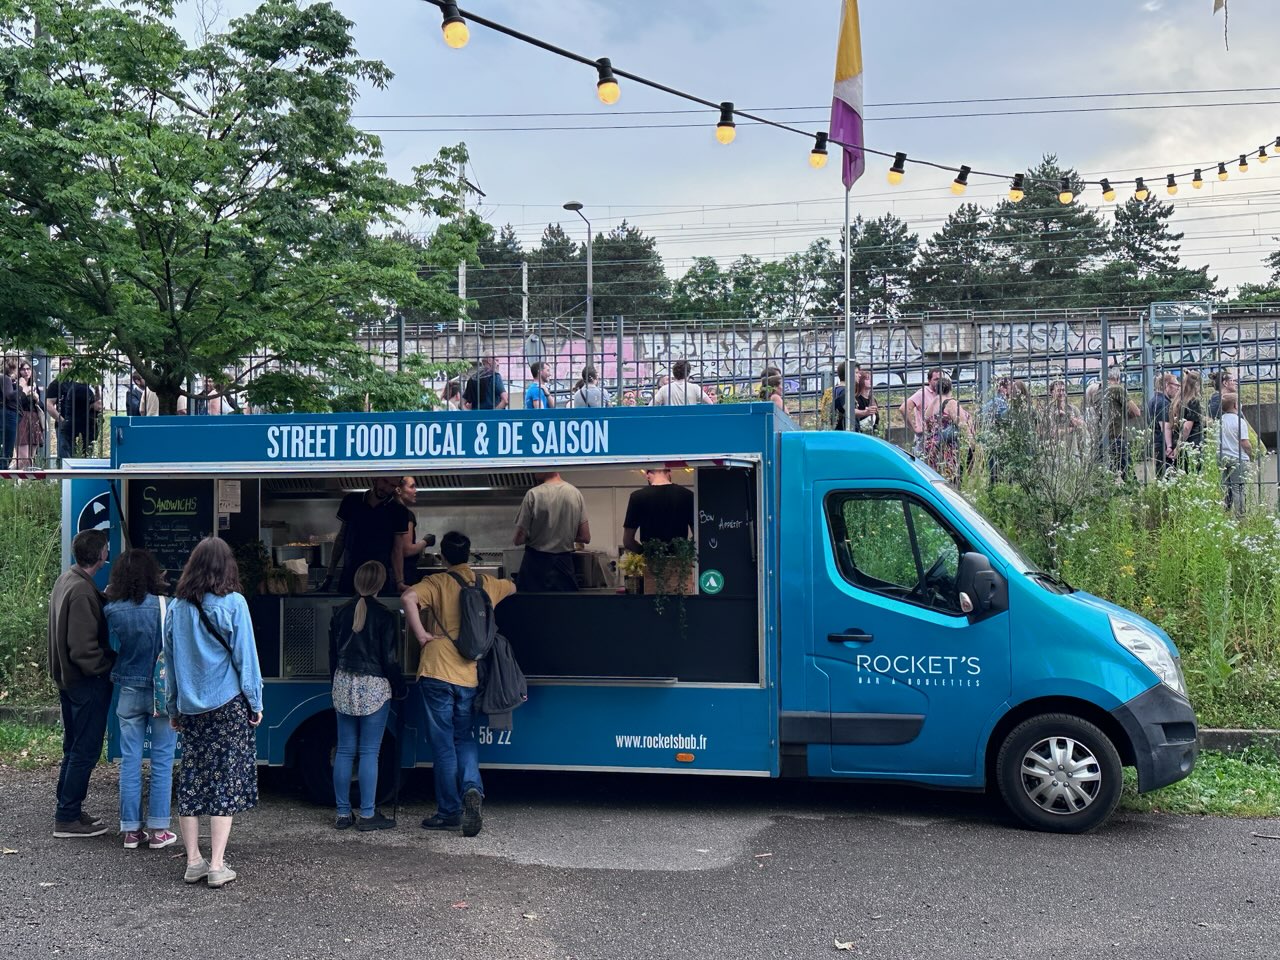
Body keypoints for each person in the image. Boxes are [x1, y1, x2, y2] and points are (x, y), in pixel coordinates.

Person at [164, 537, 263, 889]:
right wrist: (255, 701)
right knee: (225, 778)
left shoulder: (177, 607)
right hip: (227, 705)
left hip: (190, 707)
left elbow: (171, 662)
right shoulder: (234, 603)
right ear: (227, 566)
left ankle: (193, 861)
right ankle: (218, 865)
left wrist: (172, 704)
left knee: (192, 778)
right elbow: (245, 658)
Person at [402, 531, 516, 837]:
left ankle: (449, 811)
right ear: (469, 555)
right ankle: (472, 789)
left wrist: (422, 635)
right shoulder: (485, 584)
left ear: (442, 557)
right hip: (468, 673)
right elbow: (514, 585)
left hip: (437, 670)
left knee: (443, 745)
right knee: (464, 738)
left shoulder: (437, 582)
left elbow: (408, 598)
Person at [104, 548, 178, 850]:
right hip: (161, 693)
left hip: (128, 690)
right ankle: (159, 830)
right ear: (152, 573)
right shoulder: (167, 606)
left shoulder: (112, 609)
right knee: (162, 759)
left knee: (130, 760)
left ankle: (131, 831)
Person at [329, 560, 405, 831]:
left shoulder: (340, 612)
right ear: (380, 584)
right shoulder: (385, 615)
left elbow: (332, 655)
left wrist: (335, 683)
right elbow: (390, 659)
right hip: (374, 686)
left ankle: (342, 813)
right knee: (369, 752)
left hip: (343, 682)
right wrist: (399, 686)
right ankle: (368, 814)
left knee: (345, 750)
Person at [47, 529, 113, 838]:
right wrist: (108, 665)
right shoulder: (83, 592)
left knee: (72, 747)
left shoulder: (68, 580)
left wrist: (105, 597)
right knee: (84, 750)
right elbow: (83, 650)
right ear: (101, 555)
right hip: (86, 683)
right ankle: (67, 817)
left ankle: (68, 807)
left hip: (67, 680)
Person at [322, 476, 412, 596]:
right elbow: (341, 538)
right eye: (384, 481)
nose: (386, 488)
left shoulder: (398, 511)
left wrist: (400, 581)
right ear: (375, 478)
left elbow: (397, 550)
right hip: (350, 577)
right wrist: (330, 574)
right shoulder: (352, 501)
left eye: (392, 486)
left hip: (379, 581)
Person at [513, 472, 590, 592]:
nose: (533, 471)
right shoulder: (575, 493)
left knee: (531, 608)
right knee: (564, 607)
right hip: (564, 565)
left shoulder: (533, 494)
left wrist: (537, 535)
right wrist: (563, 534)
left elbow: (519, 538)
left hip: (535, 565)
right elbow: (585, 536)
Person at [623, 467, 695, 553]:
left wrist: (645, 552)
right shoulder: (687, 495)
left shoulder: (637, 497)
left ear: (647, 475)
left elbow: (628, 541)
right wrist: (686, 553)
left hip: (651, 562)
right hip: (680, 562)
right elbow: (698, 535)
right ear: (669, 473)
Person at [47, 357, 100, 462]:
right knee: (65, 456)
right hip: (65, 424)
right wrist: (62, 421)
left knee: (86, 456)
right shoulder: (56, 384)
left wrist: (97, 388)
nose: (66, 367)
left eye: (69, 364)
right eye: (63, 364)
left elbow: (98, 403)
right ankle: (63, 477)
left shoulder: (85, 382)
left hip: (85, 424)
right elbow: (49, 404)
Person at [922, 376, 970, 484]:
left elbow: (926, 427)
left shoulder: (930, 405)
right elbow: (963, 424)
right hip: (947, 448)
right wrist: (972, 443)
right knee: (950, 482)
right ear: (950, 388)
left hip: (932, 448)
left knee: (936, 481)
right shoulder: (950, 403)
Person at [1098, 372, 1141, 477]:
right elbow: (1136, 412)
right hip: (1116, 437)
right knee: (1129, 476)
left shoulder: (1097, 392)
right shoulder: (1117, 389)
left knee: (1107, 478)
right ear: (1117, 378)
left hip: (1101, 439)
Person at [396, 475, 436, 587]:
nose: (415, 490)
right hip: (405, 574)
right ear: (399, 490)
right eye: (412, 487)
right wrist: (426, 541)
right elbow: (406, 550)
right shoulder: (405, 514)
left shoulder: (388, 511)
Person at [1218, 394, 1253, 517]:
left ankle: (1225, 513)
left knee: (1225, 488)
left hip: (1223, 457)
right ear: (1235, 405)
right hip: (1238, 458)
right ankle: (1240, 515)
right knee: (1238, 488)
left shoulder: (1220, 420)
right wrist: (1250, 453)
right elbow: (1244, 442)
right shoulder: (1239, 421)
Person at [12, 360, 47, 469]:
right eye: (23, 369)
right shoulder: (15, 385)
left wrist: (36, 398)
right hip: (21, 419)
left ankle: (24, 483)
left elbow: (41, 407)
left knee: (30, 459)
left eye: (28, 369)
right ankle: (8, 476)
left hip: (34, 419)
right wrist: (25, 391)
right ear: (19, 371)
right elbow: (16, 403)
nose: (26, 372)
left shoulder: (34, 385)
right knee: (23, 458)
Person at [1168, 369, 1205, 472]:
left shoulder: (1177, 401)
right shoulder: (1193, 401)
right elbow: (1187, 427)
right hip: (1192, 444)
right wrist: (1178, 447)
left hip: (1178, 442)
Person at [899, 368, 942, 455]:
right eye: (936, 379)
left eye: (941, 379)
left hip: (939, 436)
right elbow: (904, 408)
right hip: (925, 437)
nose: (939, 382)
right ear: (929, 381)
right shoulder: (923, 393)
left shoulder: (942, 394)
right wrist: (914, 429)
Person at [1147, 373, 1178, 478]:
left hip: (1157, 441)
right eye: (1176, 385)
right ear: (1166, 385)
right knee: (1166, 474)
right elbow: (1165, 426)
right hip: (1163, 443)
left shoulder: (1153, 400)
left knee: (1161, 472)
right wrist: (1169, 446)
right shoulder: (1163, 403)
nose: (1178, 388)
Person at [649, 359, 715, 406]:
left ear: (674, 374)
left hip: (670, 423)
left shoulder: (664, 389)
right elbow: (710, 403)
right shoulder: (695, 388)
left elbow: (651, 405)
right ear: (688, 374)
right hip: (690, 422)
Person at [1041, 380, 1083, 450]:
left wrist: (1068, 416)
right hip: (1055, 449)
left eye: (1063, 390)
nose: (1061, 393)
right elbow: (1053, 433)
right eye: (1058, 390)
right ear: (1052, 392)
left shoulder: (1073, 408)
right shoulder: (1047, 411)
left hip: (1073, 448)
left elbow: (1082, 425)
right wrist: (1072, 429)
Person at [2, 357, 20, 466]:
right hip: (8, 416)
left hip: (7, 415)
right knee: (7, 449)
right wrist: (21, 388)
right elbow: (9, 395)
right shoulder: (5, 378)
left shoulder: (6, 379)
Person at [852, 367, 878, 433]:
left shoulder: (873, 399)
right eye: (867, 379)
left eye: (871, 379)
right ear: (861, 381)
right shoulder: (857, 399)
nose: (870, 381)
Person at [831, 361, 849, 430]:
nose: (858, 375)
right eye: (856, 373)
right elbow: (849, 411)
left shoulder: (834, 389)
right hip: (844, 428)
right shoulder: (845, 391)